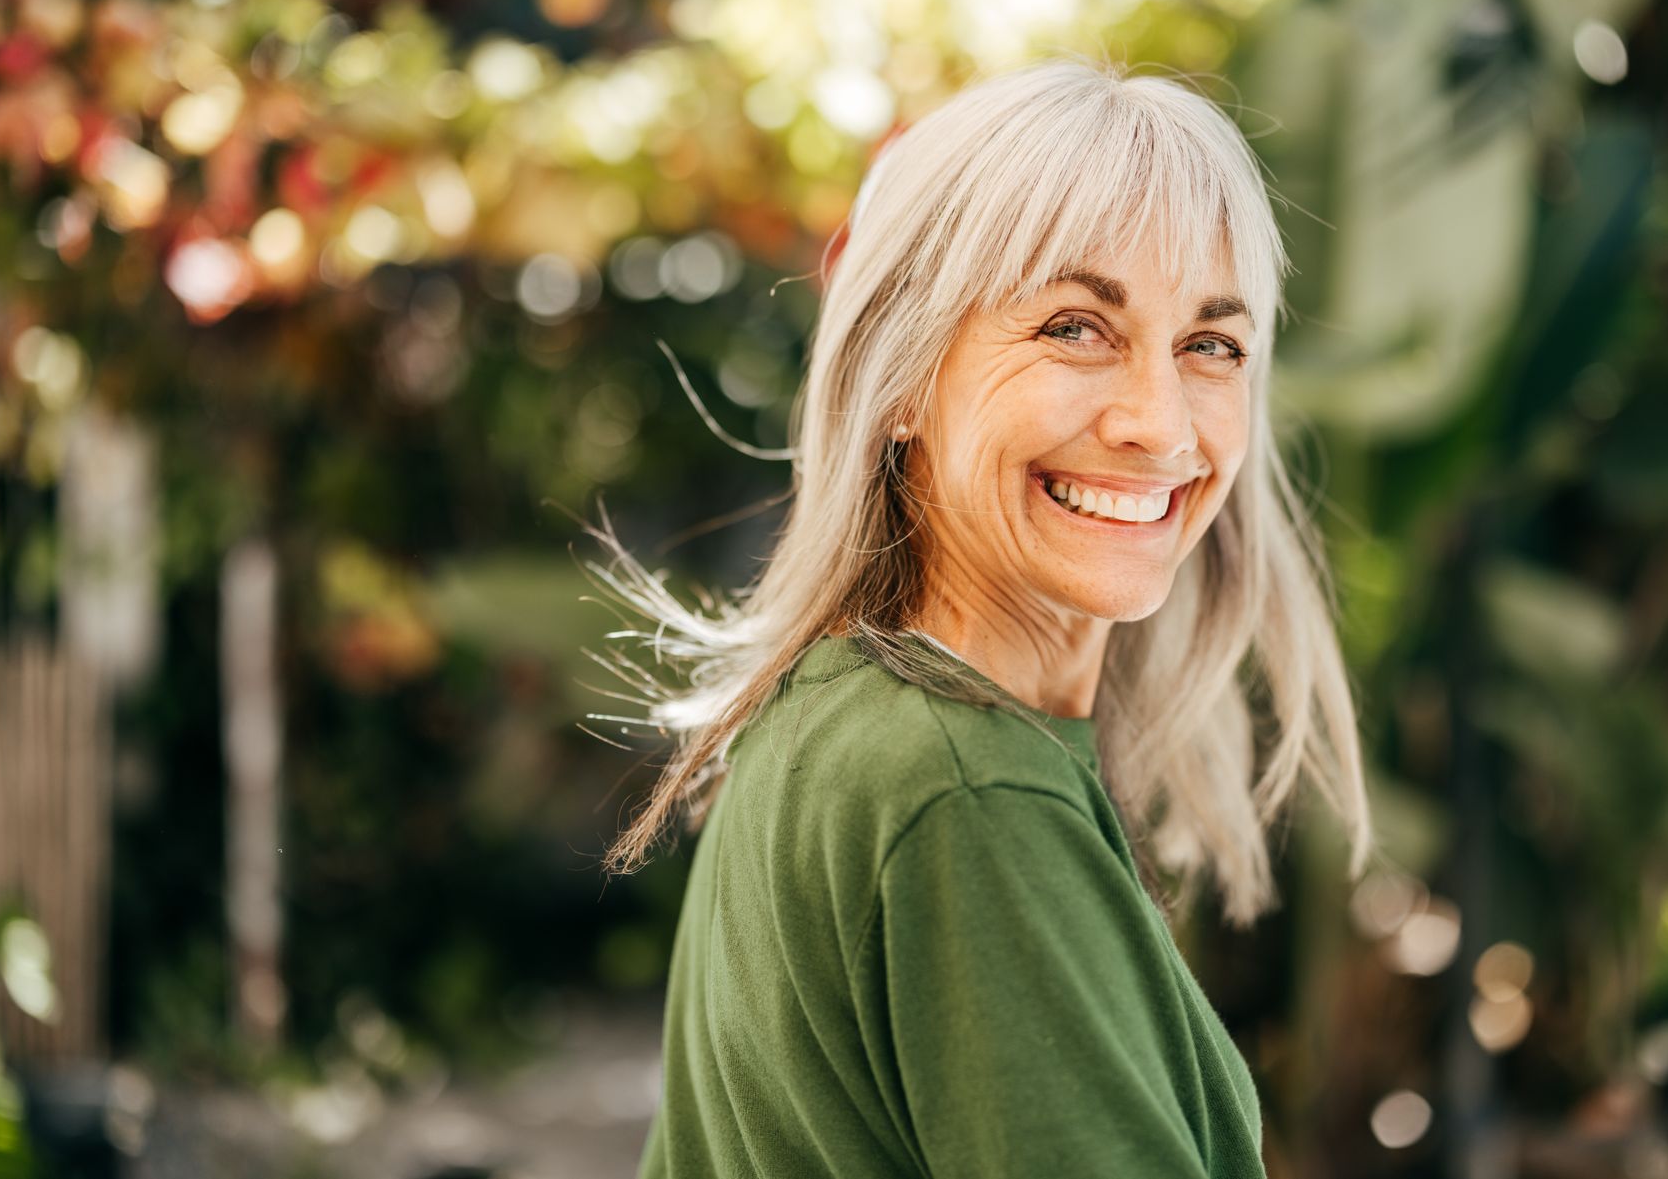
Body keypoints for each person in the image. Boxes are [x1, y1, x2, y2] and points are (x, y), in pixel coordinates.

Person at [586, 57, 1375, 1177]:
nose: (1160, 423)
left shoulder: (829, 714)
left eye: (1211, 345)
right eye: (1074, 328)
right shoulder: (966, 790)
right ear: (903, 376)